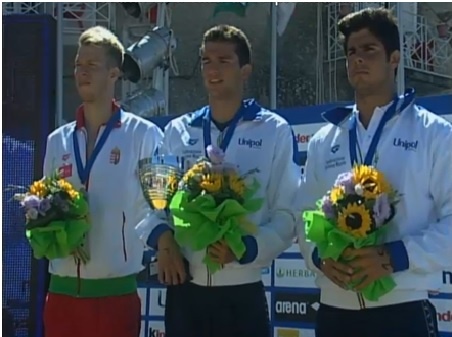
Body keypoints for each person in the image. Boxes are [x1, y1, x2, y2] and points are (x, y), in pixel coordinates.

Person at [297, 8, 452, 337]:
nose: (358, 60)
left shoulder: (435, 133)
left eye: (369, 50)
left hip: (402, 307)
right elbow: (304, 214)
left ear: (394, 58)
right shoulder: (325, 139)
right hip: (335, 310)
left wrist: (397, 255)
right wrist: (318, 257)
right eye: (352, 52)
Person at [148, 24, 300, 337]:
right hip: (184, 292)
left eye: (223, 61)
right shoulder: (177, 131)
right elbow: (155, 203)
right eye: (206, 61)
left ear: (245, 70)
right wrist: (164, 242)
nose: (212, 70)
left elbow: (288, 214)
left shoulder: (274, 130)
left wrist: (247, 248)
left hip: (242, 293)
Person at [42, 26, 167, 337]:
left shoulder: (146, 135)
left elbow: (161, 207)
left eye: (92, 66)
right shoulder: (57, 140)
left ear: (114, 74)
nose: (82, 72)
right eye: (78, 65)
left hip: (115, 296)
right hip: (60, 294)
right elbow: (44, 206)